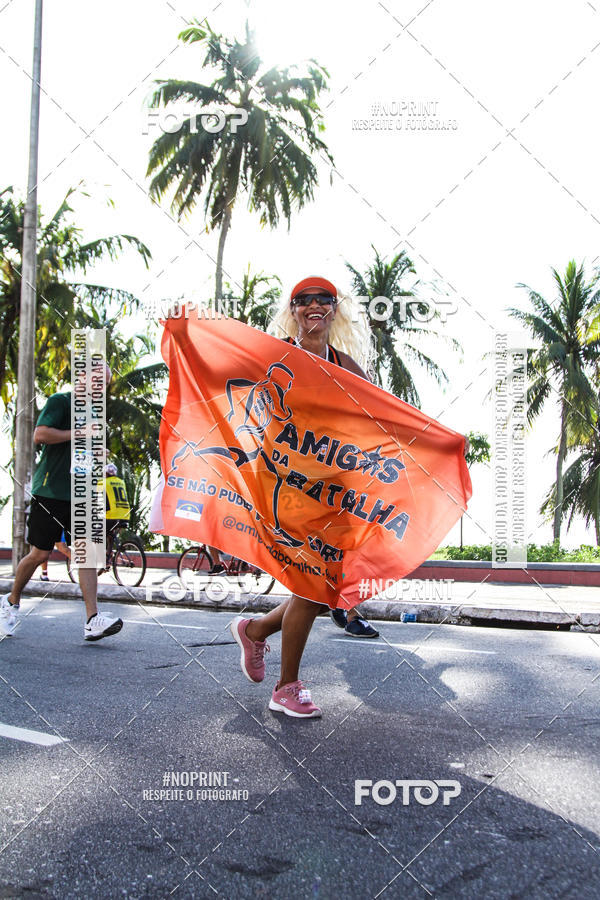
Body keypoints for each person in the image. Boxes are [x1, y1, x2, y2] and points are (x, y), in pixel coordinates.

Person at [229, 276, 381, 718]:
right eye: (304, 300)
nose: (314, 306)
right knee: (311, 584)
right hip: (289, 490)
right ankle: (286, 687)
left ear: (335, 310)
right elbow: (233, 390)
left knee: (321, 592)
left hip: (337, 491)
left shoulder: (347, 365)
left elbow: (377, 420)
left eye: (324, 300)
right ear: (293, 310)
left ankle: (255, 630)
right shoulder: (274, 355)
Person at [0, 364, 123, 641]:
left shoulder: (94, 415)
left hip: (80, 495)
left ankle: (92, 619)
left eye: (103, 384)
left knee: (86, 554)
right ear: (82, 377)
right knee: (40, 554)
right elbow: (40, 435)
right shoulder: (62, 401)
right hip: (50, 492)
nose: (98, 387)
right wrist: (79, 434)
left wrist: (100, 459)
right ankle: (11, 602)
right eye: (95, 380)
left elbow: (81, 453)